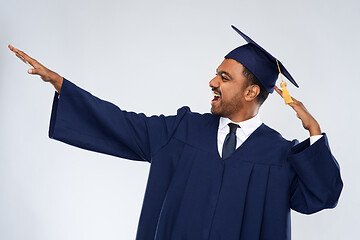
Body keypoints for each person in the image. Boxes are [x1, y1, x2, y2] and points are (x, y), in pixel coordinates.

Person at [9, 26, 343, 240]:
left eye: (225, 78)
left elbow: (321, 196)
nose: (212, 82)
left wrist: (313, 133)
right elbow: (122, 124)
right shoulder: (182, 129)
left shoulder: (281, 156)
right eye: (217, 75)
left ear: (251, 92)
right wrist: (62, 86)